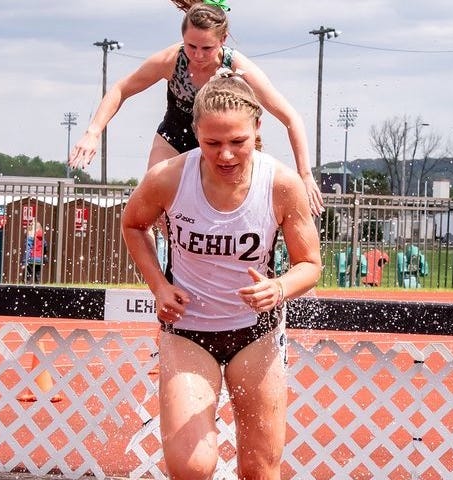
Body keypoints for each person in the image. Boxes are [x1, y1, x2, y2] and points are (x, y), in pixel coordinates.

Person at [121, 73, 321, 479]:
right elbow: (133, 225)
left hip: (256, 333)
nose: (226, 155)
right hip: (188, 331)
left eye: (237, 143)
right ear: (195, 132)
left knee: (260, 469)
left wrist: (279, 287)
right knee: (192, 466)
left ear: (257, 130)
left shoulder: (280, 183)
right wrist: (159, 285)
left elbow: (311, 266)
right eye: (212, 144)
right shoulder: (170, 177)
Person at [68, 0, 324, 216]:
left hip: (220, 145)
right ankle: (172, 266)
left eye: (207, 48)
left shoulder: (237, 66)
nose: (198, 55)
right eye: (191, 46)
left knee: (219, 209)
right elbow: (121, 89)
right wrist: (93, 131)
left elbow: (290, 117)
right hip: (174, 136)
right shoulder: (171, 60)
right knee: (153, 203)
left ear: (222, 40)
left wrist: (305, 173)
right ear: (183, 39)